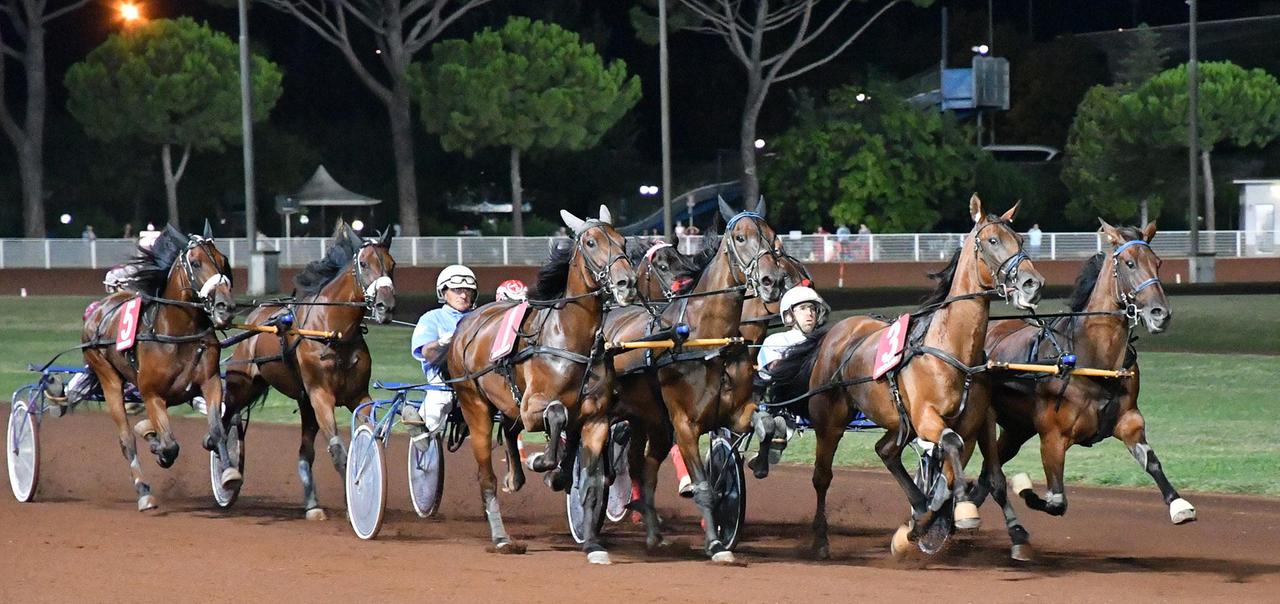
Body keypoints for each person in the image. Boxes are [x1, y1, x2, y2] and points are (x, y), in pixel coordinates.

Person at [753, 285, 831, 465]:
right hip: (785, 399)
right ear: (789, 316)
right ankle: (772, 432)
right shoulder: (776, 340)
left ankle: (774, 436)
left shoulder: (826, 341)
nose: (810, 313)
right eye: (803, 308)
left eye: (812, 308)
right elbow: (772, 373)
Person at [406, 264, 477, 449]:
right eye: (457, 290)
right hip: (443, 376)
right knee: (441, 399)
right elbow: (426, 353)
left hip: (478, 376)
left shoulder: (480, 317)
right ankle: (423, 428)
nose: (464, 295)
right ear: (444, 293)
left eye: (468, 291)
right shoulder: (432, 318)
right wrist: (441, 343)